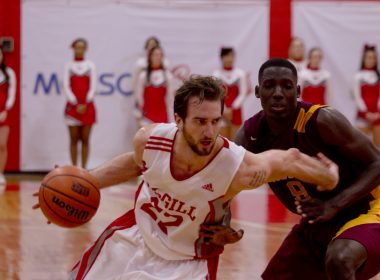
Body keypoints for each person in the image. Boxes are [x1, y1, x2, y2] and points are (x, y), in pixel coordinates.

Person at [56, 75, 339, 280]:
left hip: (188, 263)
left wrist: (328, 176)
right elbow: (134, 164)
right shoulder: (150, 140)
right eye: (200, 121)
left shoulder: (236, 167)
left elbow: (284, 160)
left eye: (215, 121)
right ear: (177, 120)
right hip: (132, 240)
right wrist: (84, 183)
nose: (209, 131)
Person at [203, 58, 380, 279]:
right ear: (258, 92)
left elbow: (377, 163)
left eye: (286, 86)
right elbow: (226, 184)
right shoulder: (251, 135)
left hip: (367, 208)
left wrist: (334, 204)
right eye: (269, 86)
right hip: (319, 218)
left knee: (340, 259)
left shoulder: (322, 120)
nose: (278, 93)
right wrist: (224, 224)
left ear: (297, 91)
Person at [63, 38, 97, 169]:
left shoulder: (90, 65)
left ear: (85, 49)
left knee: (85, 140)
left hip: (88, 107)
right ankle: (74, 168)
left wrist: (86, 102)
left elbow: (93, 86)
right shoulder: (68, 66)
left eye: (82, 47)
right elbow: (66, 86)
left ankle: (84, 169)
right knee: (73, 139)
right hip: (72, 108)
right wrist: (75, 103)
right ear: (73, 48)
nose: (79, 50)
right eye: (77, 47)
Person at [212, 47, 248, 140]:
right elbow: (215, 94)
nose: (229, 59)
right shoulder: (216, 75)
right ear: (221, 58)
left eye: (231, 56)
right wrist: (224, 109)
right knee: (221, 140)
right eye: (226, 56)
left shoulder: (240, 74)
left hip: (236, 110)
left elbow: (243, 93)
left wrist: (233, 108)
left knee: (236, 141)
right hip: (221, 110)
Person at [135, 46, 174, 127]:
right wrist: (138, 116)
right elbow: (138, 97)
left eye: (160, 55)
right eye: (155, 55)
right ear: (150, 57)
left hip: (162, 117)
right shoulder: (143, 75)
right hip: (146, 117)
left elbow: (171, 98)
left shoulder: (168, 75)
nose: (158, 57)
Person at [352, 44, 380, 148]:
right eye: (369, 57)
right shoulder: (358, 76)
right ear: (364, 59)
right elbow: (357, 97)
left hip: (377, 115)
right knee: (361, 146)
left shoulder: (378, 76)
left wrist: (377, 112)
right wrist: (365, 113)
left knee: (378, 146)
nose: (371, 60)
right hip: (363, 115)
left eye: (373, 58)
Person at [0, 47, 16, 185]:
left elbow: (11, 95)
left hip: (3, 114)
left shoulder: (9, 73)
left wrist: (5, 110)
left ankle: (0, 173)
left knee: (2, 144)